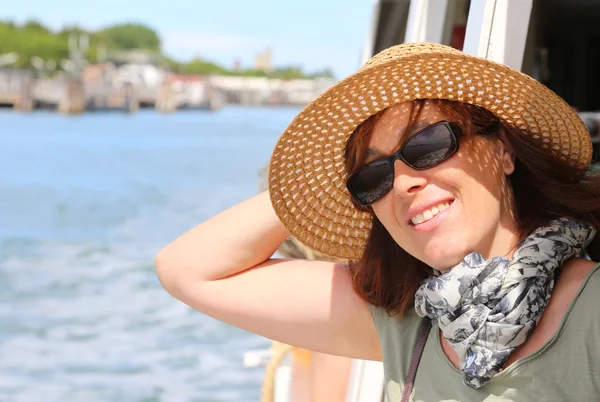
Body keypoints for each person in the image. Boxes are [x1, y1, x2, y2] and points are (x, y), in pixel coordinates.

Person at [155, 43, 600, 401]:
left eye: (428, 144)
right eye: (373, 176)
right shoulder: (408, 320)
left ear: (503, 150)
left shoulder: (591, 310)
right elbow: (188, 271)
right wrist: (314, 184)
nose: (402, 183)